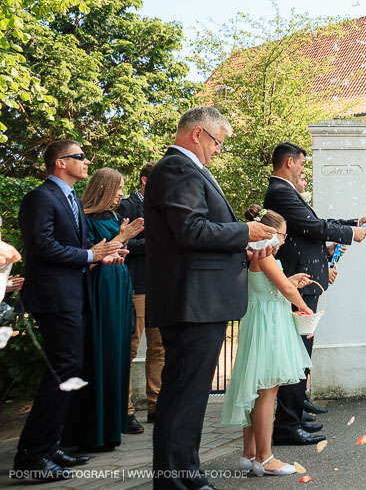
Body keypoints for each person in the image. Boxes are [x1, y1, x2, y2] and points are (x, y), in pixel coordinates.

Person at [145, 107, 277, 490]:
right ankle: (174, 480)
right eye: (218, 141)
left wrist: (245, 247)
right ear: (198, 134)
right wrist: (245, 231)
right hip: (193, 301)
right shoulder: (176, 169)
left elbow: (197, 234)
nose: (219, 150)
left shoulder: (186, 169)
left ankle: (187, 474)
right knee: (183, 395)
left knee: (190, 394)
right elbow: (191, 230)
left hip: (199, 299)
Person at [13, 140, 126, 482]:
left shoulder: (71, 198)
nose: (87, 161)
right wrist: (91, 256)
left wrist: (99, 255)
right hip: (54, 298)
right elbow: (42, 246)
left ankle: (48, 447)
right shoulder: (40, 197)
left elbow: (74, 248)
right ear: (60, 163)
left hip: (73, 296)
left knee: (69, 369)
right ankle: (32, 457)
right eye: (79, 157)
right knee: (62, 371)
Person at [263, 142, 366, 445]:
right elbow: (312, 226)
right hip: (299, 280)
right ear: (289, 162)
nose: (303, 168)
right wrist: (351, 233)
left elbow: (312, 227)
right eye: (302, 163)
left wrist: (354, 222)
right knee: (297, 350)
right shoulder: (280, 192)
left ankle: (295, 413)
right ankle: (287, 423)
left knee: (302, 350)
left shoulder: (285, 192)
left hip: (307, 280)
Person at [222, 206, 314, 476]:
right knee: (267, 389)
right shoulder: (263, 252)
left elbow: (277, 284)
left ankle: (249, 452)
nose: (284, 240)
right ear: (271, 233)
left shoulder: (262, 255)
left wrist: (291, 281)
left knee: (259, 387)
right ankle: (265, 458)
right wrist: (304, 309)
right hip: (268, 325)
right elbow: (283, 289)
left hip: (263, 320)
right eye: (283, 235)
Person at [62, 168, 144, 451]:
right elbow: (90, 256)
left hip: (120, 283)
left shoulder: (112, 216)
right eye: (119, 187)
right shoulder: (83, 218)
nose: (122, 193)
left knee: (119, 353)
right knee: (101, 353)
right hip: (100, 287)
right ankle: (91, 431)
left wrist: (123, 240)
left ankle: (112, 427)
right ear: (105, 188)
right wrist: (121, 239)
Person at [116, 161, 165, 424]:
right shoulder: (127, 205)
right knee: (131, 348)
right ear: (145, 180)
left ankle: (156, 406)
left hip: (159, 286)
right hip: (137, 285)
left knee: (159, 349)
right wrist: (156, 243)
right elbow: (122, 244)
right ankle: (126, 411)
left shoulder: (163, 205)